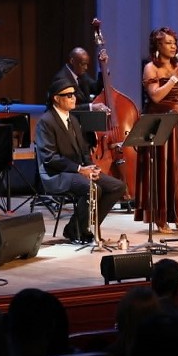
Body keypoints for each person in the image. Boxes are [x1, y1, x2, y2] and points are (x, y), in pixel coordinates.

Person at [35, 78, 125, 243]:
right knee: (93, 189)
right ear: (56, 98)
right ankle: (79, 230)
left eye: (74, 94)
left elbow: (84, 150)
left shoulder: (74, 119)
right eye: (68, 95)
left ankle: (80, 227)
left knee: (117, 186)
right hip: (56, 174)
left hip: (77, 171)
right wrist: (79, 169)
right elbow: (50, 158)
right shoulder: (46, 122)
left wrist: (91, 167)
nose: (73, 98)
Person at [134, 26, 178, 234]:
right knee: (160, 170)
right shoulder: (151, 68)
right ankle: (160, 218)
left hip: (177, 122)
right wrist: (175, 77)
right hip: (158, 121)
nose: (173, 46)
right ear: (157, 46)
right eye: (168, 43)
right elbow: (156, 96)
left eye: (174, 43)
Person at [51, 47, 110, 113]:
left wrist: (103, 67)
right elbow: (66, 107)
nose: (86, 67)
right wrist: (91, 107)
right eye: (82, 64)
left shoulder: (81, 74)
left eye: (86, 64)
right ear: (72, 61)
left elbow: (96, 89)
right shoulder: (61, 79)